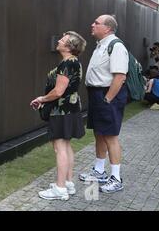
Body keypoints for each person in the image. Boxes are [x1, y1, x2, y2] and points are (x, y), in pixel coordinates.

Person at [30, 31, 87, 201]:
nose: (59, 41)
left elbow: (58, 91)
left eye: (62, 40)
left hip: (62, 111)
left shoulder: (66, 64)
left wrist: (42, 99)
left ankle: (60, 188)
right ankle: (68, 183)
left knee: (60, 148)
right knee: (66, 146)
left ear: (69, 46)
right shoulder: (74, 62)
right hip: (71, 108)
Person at [80, 14, 128, 194]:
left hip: (107, 95)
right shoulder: (101, 45)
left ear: (107, 28)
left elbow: (120, 76)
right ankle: (99, 171)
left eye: (96, 23)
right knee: (99, 133)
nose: (92, 25)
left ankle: (116, 178)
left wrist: (107, 99)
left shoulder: (116, 46)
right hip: (97, 94)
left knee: (110, 136)